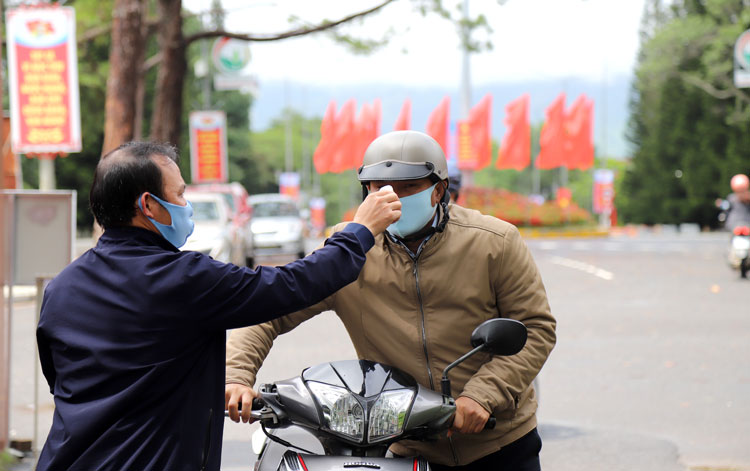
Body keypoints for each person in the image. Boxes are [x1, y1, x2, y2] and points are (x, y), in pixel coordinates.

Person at [35, 141, 401, 471]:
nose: (186, 205)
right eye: (179, 195)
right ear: (148, 205)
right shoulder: (182, 279)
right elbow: (291, 285)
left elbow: (60, 382)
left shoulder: (62, 287)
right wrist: (359, 231)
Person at [225, 131, 557, 470]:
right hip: (406, 445)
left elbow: (535, 328)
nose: (392, 198)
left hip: (496, 440)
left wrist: (483, 393)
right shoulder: (348, 252)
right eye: (379, 188)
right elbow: (271, 308)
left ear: (438, 191)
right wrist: (237, 375)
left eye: (408, 187)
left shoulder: (494, 242)